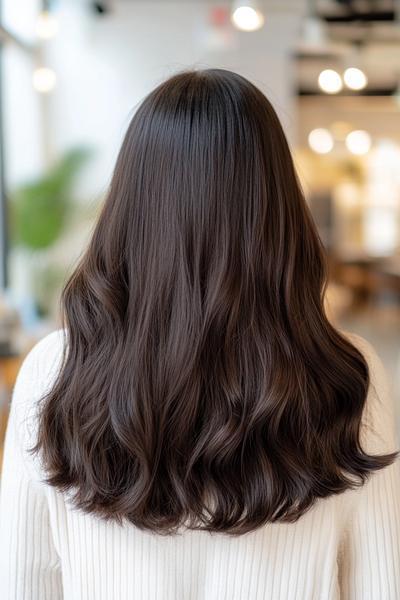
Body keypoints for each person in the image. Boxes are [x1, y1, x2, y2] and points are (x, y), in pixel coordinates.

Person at [0, 68, 399, 600]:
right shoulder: (347, 371)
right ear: (277, 211)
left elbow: (23, 584)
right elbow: (380, 583)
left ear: (132, 207)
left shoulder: (54, 370)